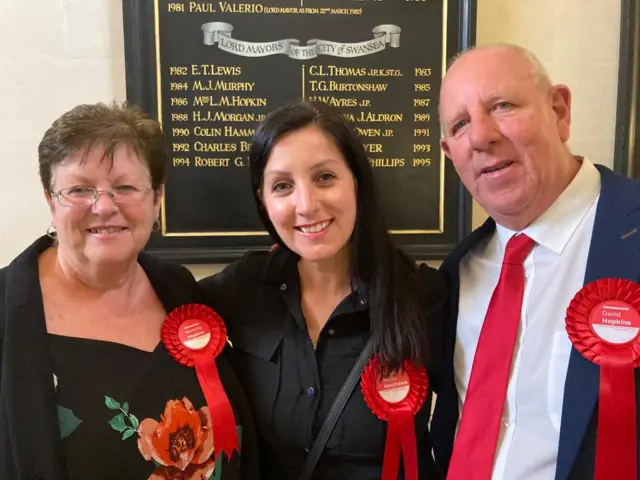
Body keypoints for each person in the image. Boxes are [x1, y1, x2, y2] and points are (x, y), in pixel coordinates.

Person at [0, 102, 258, 480]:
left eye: (125, 187)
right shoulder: (7, 312)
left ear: (156, 199)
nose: (104, 206)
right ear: (50, 203)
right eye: (79, 189)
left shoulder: (180, 291)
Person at [199, 100, 446, 479]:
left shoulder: (426, 296)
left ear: (356, 183)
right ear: (263, 202)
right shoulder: (243, 288)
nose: (306, 205)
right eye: (282, 186)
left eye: (325, 177)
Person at [431, 43, 640, 480]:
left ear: (559, 111)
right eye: (461, 124)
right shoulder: (455, 274)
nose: (481, 136)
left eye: (502, 105)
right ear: (451, 154)